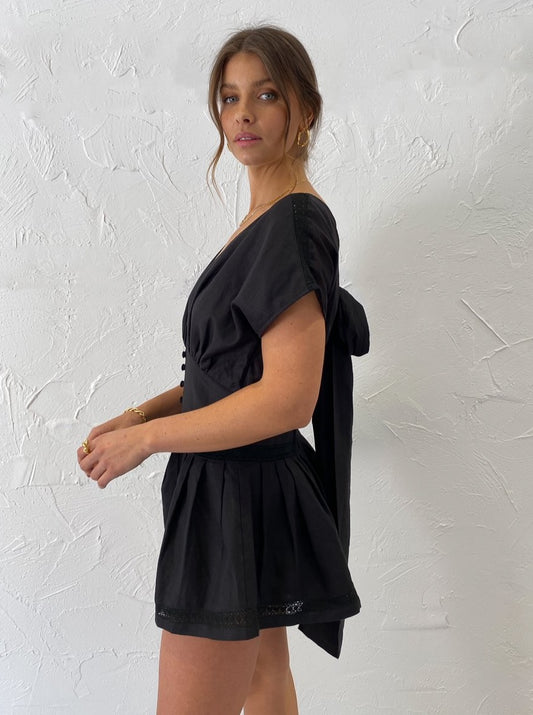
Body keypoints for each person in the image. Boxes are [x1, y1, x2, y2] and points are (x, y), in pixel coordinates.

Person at [77, 24, 369, 715]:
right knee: (265, 680)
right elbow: (228, 377)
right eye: (229, 97)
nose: (242, 114)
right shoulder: (266, 221)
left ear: (304, 110)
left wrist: (148, 440)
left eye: (266, 95)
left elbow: (288, 399)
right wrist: (138, 415)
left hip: (235, 495)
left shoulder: (293, 226)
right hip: (239, 488)